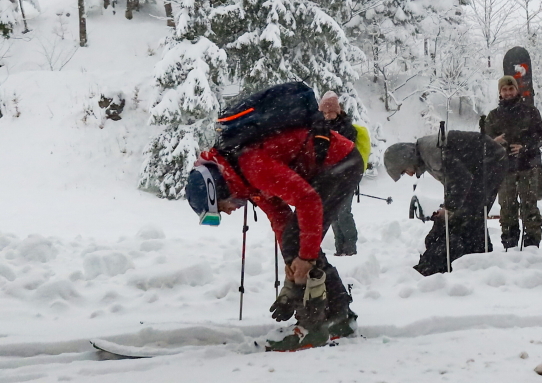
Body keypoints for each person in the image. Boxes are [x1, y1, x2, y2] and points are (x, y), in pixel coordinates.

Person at [187, 113, 364, 348]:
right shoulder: (243, 176)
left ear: (219, 189)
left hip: (340, 163)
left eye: (223, 205)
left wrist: (306, 258)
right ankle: (339, 318)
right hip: (334, 165)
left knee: (302, 246)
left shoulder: (253, 167)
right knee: (297, 242)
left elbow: (307, 200)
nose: (230, 210)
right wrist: (292, 269)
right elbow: (280, 218)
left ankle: (313, 327)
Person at [383, 130, 506, 275]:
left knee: (468, 215)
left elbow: (461, 180)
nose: (409, 174)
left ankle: (471, 260)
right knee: (468, 215)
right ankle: (475, 258)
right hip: (486, 163)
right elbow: (454, 182)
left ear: (406, 158)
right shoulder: (426, 152)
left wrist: (449, 208)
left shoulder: (432, 154)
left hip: (489, 165)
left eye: (404, 170)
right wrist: (448, 208)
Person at [482, 75, 542, 249]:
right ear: (500, 93)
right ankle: (509, 244)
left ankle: (532, 245)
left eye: (511, 89)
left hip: (528, 167)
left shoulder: (530, 112)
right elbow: (484, 142)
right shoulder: (493, 116)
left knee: (529, 207)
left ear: (517, 90)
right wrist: (494, 142)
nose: (508, 92)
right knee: (507, 208)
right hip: (504, 169)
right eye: (504, 90)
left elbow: (540, 136)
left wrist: (525, 147)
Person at [317, 91, 363, 256]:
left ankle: (350, 248)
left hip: (347, 176)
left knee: (343, 211)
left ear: (338, 111)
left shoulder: (347, 128)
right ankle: (339, 249)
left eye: (331, 111)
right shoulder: (319, 128)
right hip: (329, 178)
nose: (328, 115)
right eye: (325, 112)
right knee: (333, 213)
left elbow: (344, 152)